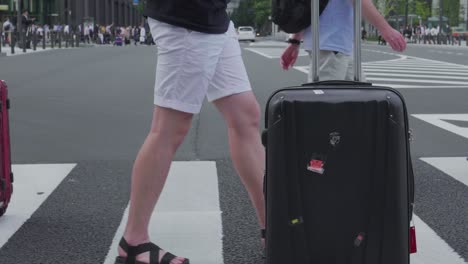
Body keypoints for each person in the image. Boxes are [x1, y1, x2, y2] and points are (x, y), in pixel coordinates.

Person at [114, 0, 265, 264]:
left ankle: (272, 227)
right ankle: (134, 243)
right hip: (188, 17)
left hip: (213, 17)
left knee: (245, 115)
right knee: (170, 126)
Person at [280, 0, 407, 81]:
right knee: (325, 107)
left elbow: (308, 6)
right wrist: (385, 29)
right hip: (332, 43)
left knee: (358, 101)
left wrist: (295, 41)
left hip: (334, 45)